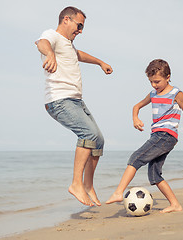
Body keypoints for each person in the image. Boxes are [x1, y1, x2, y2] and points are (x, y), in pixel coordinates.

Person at [35, 6, 113, 207]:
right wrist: (50, 55)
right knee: (88, 134)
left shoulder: (68, 45)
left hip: (76, 101)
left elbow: (79, 55)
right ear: (66, 19)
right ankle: (76, 184)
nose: (80, 31)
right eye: (79, 26)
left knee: (99, 140)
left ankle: (88, 186)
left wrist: (100, 62)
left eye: (82, 28)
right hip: (59, 101)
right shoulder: (51, 36)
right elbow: (41, 43)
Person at [106, 59, 183, 213]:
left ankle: (118, 192)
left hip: (165, 135)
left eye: (157, 81)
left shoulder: (176, 93)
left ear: (168, 77)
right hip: (159, 136)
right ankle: (175, 204)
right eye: (151, 82)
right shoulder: (153, 94)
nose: (154, 85)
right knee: (154, 175)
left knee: (135, 158)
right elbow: (136, 106)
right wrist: (135, 118)